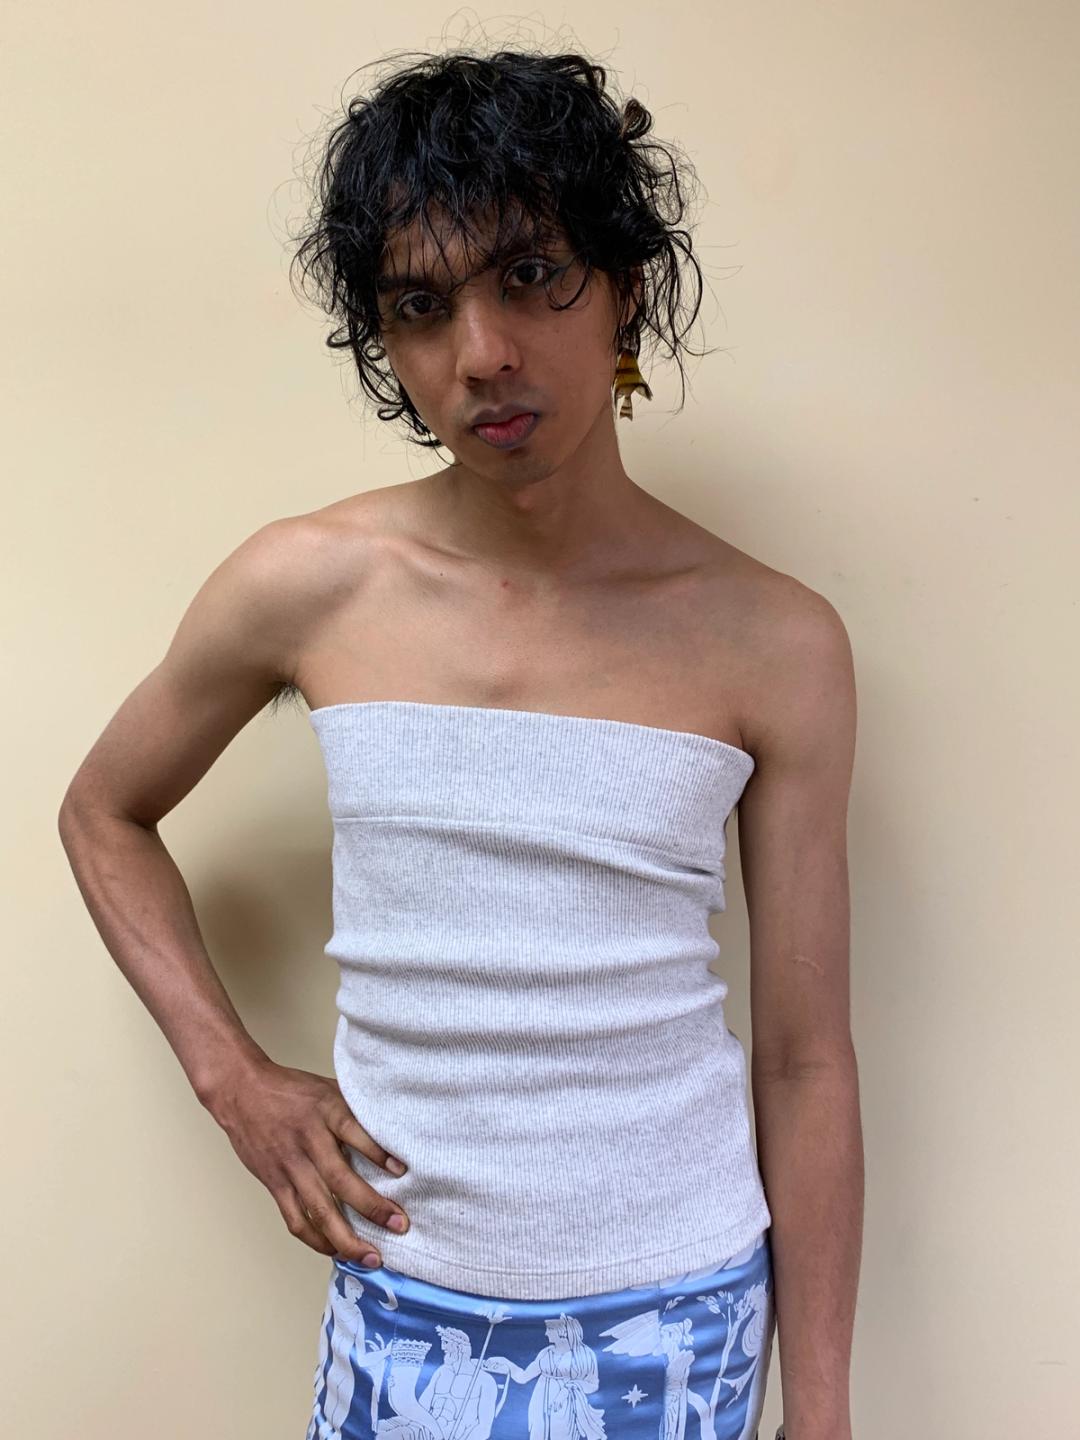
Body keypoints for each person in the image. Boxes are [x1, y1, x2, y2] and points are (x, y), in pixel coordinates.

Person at [57, 45, 862, 1440]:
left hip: (678, 1317)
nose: (481, 352)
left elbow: (805, 1062)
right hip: (404, 1307)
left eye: (531, 274)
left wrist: (828, 1410)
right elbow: (102, 813)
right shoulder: (308, 585)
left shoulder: (777, 640)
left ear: (625, 283)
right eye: (420, 306)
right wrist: (234, 1081)